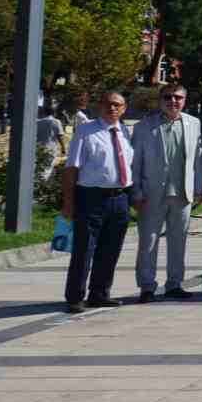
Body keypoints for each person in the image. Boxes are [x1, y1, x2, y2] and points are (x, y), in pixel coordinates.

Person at [59, 91, 133, 313]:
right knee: (84, 249)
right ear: (99, 106)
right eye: (108, 104)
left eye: (117, 105)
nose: (112, 108)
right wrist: (68, 201)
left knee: (111, 249)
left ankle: (100, 293)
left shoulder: (125, 132)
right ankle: (75, 296)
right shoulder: (86, 131)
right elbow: (72, 167)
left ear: (124, 108)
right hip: (91, 197)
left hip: (120, 197)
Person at [130, 83, 202, 302]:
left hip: (182, 193)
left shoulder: (194, 123)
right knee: (148, 242)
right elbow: (135, 163)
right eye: (168, 97)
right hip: (152, 193)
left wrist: (198, 187)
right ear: (160, 100)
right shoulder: (144, 126)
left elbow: (198, 159)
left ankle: (174, 284)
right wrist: (136, 192)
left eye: (178, 98)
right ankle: (147, 286)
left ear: (184, 100)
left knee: (178, 241)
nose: (173, 101)